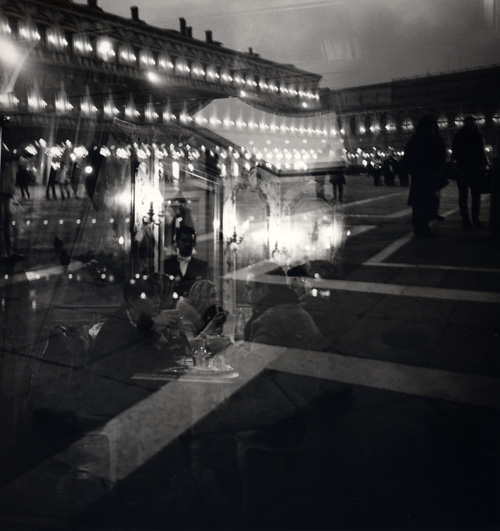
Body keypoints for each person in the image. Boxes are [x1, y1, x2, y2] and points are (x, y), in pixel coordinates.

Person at [402, 115, 447, 237]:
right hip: (423, 174)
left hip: (423, 174)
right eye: (431, 126)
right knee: (422, 201)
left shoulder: (417, 138)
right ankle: (421, 227)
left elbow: (407, 157)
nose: (433, 128)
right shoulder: (427, 139)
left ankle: (422, 225)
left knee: (424, 201)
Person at [452, 115, 489, 228]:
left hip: (463, 169)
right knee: (475, 195)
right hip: (474, 168)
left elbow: (455, 153)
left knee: (463, 195)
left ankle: (466, 219)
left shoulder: (459, 135)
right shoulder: (477, 135)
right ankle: (475, 218)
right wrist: (484, 165)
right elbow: (481, 152)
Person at [177, 279, 227, 348]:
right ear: (200, 298)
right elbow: (190, 345)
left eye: (216, 295)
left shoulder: (207, 316)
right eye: (213, 296)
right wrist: (213, 324)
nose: (217, 299)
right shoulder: (187, 319)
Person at [163, 225, 209, 299]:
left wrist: (177, 284)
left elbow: (203, 289)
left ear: (194, 244)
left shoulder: (202, 266)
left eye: (190, 241)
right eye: (184, 240)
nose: (187, 244)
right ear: (177, 243)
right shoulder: (167, 265)